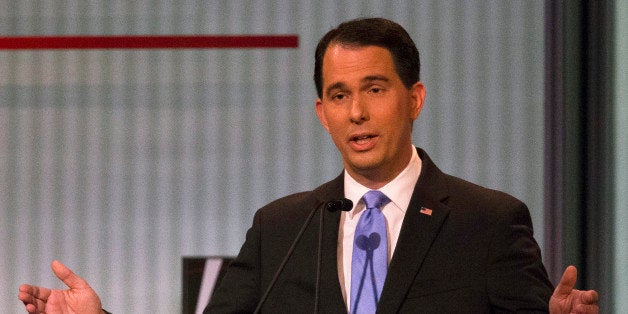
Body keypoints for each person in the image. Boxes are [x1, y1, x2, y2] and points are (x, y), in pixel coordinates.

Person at [18, 18, 598, 314]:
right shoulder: (282, 227)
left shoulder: (488, 221)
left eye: (375, 88)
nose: (358, 113)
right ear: (322, 112)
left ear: (415, 97)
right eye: (340, 95)